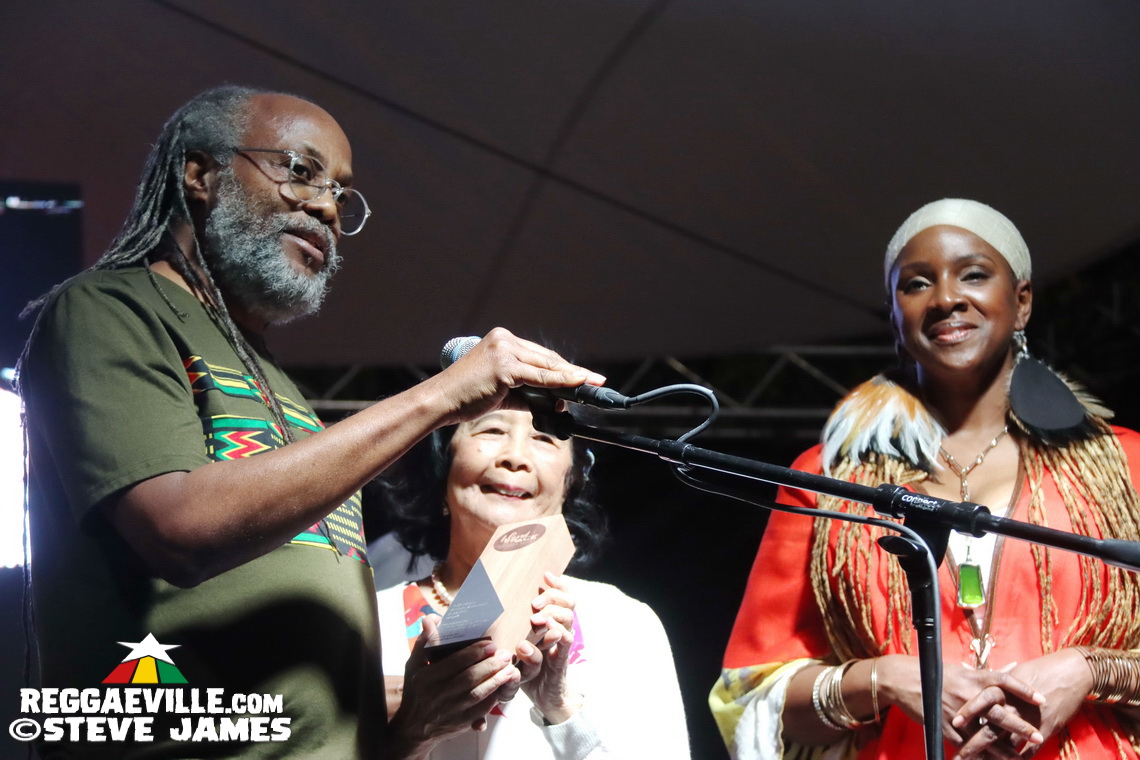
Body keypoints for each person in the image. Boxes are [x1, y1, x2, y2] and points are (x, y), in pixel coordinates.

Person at [19, 85, 606, 759]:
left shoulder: (288, 395)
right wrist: (445, 395)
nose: (327, 206)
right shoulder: (110, 311)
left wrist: (414, 722)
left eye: (341, 194)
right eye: (299, 170)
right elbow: (178, 532)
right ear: (200, 175)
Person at [710, 199, 1140, 760]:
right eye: (916, 284)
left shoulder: (1124, 465)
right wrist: (887, 679)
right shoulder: (827, 478)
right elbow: (753, 698)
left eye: (975, 274)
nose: (945, 298)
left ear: (1023, 301)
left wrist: (1091, 668)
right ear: (894, 313)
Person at [375, 407, 692, 759]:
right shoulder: (370, 621)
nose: (515, 457)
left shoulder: (624, 622)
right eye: (491, 430)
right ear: (442, 465)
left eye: (543, 437)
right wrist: (408, 736)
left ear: (569, 481)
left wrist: (560, 707)